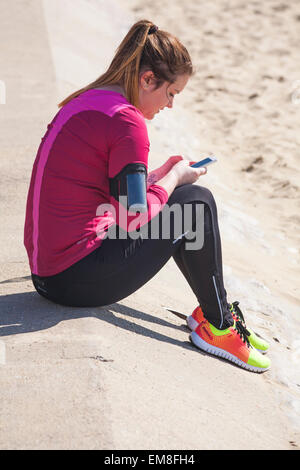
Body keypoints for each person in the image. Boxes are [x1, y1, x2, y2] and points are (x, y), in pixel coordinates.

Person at [24, 20, 270, 373]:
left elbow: (108, 192)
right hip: (72, 281)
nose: (170, 105)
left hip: (49, 271)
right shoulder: (128, 122)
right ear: (147, 79)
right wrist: (173, 177)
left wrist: (157, 177)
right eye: (171, 94)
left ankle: (216, 309)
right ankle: (219, 326)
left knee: (185, 194)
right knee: (196, 202)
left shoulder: (91, 100)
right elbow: (134, 218)